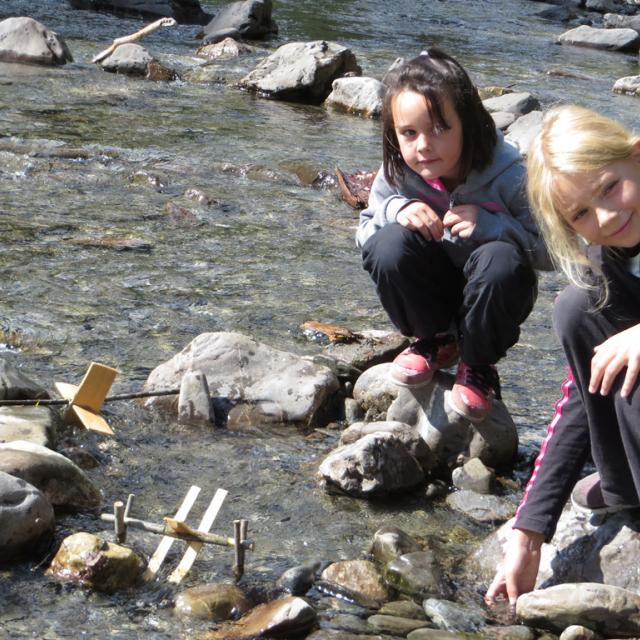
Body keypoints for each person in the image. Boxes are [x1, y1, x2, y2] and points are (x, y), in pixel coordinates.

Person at [485, 105, 640, 607]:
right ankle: (627, 489)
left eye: (610, 187)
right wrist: (529, 531)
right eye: (581, 215)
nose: (607, 215)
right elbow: (581, 395)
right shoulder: (608, 259)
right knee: (576, 308)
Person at [356, 48, 551, 422]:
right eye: (409, 133)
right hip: (433, 289)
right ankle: (436, 340)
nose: (423, 146)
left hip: (495, 291)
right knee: (388, 242)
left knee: (501, 258)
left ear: (468, 122)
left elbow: (550, 254)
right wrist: (395, 210)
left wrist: (494, 226)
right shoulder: (399, 171)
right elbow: (364, 234)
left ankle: (478, 363)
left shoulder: (511, 176)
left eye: (439, 129)